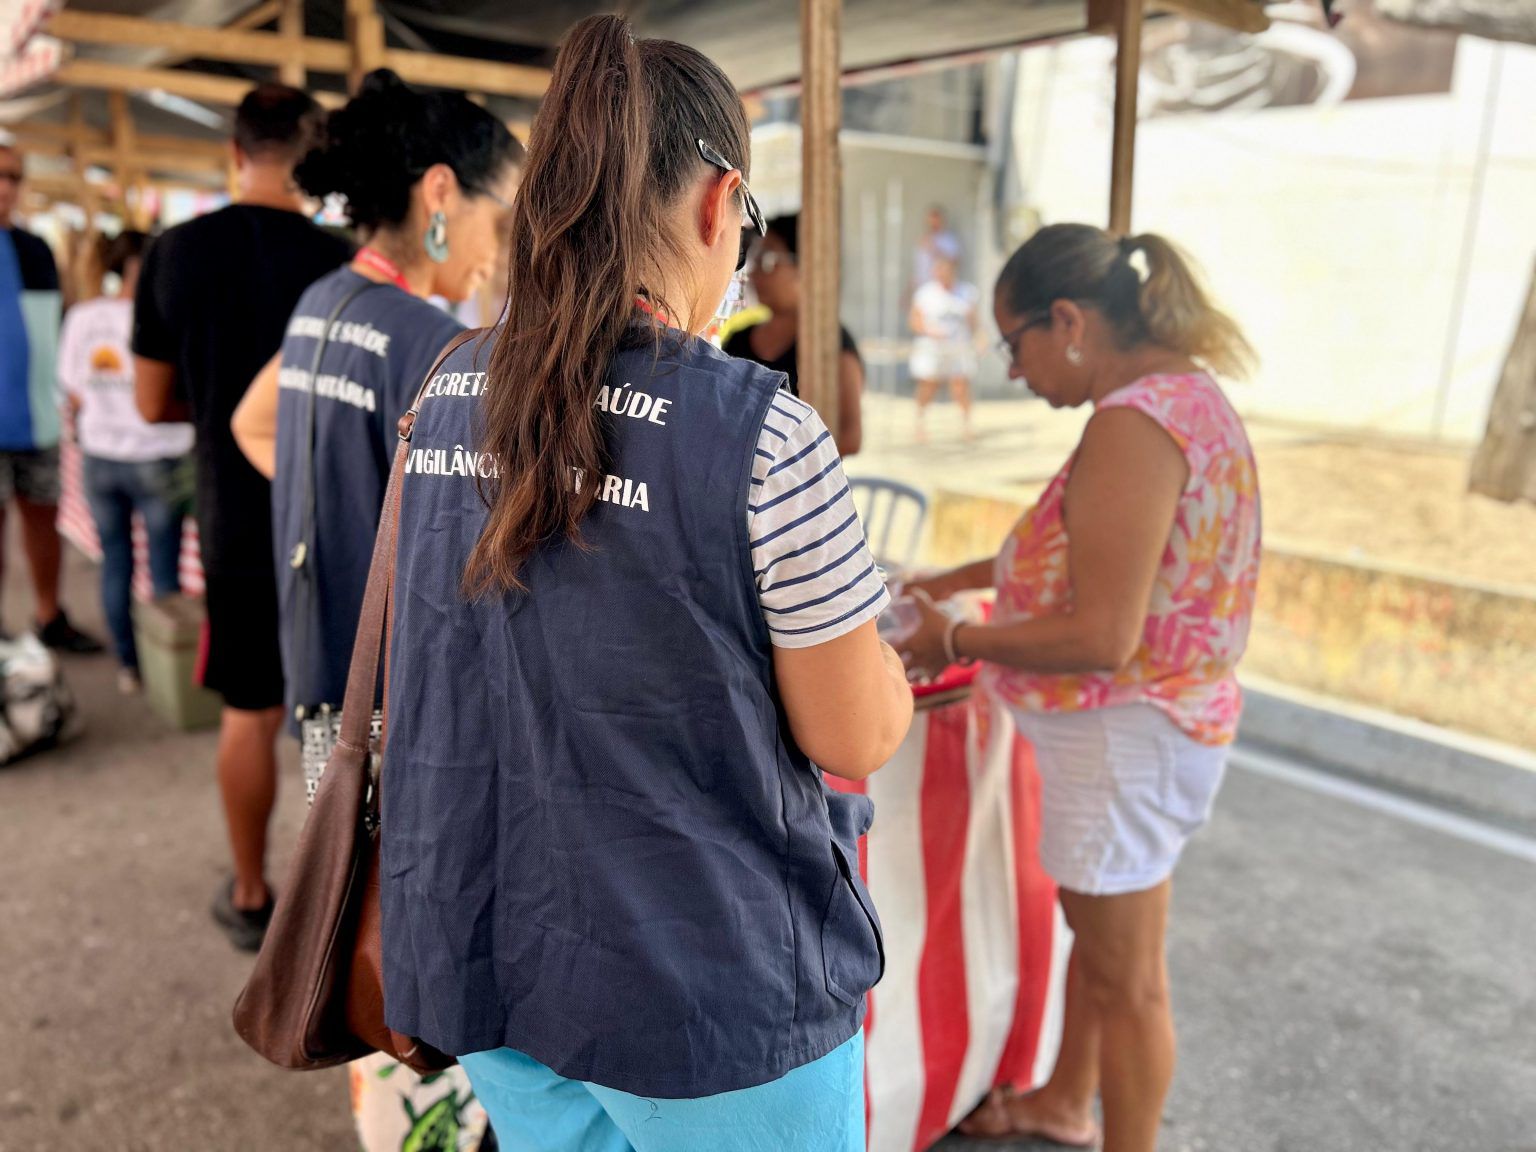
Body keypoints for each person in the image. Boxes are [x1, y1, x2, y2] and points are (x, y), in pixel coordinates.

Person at [383, 15, 914, 1152]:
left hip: (489, 950)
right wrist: (894, 673)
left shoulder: (445, 387)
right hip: (706, 994)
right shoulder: (763, 432)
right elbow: (852, 734)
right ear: (721, 204)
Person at [897, 224, 1261, 1152]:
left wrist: (954, 636)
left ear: (1066, 321)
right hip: (1144, 729)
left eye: (1013, 343)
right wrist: (950, 580)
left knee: (1127, 982)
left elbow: (1103, 634)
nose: (1015, 371)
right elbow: (1091, 549)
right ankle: (1065, 1100)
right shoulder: (1177, 399)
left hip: (1125, 733)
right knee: (1098, 945)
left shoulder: (1133, 424)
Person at [231, 69, 522, 1152]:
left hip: (326, 688)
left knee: (355, 914)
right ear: (442, 193)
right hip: (408, 713)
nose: (498, 249)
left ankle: (390, 1119)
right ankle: (433, 1128)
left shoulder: (322, 302)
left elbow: (252, 424)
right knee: (414, 937)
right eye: (497, 215)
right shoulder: (432, 343)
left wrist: (333, 508)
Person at [132, 83, 352, 952]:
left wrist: (222, 398)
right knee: (338, 717)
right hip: (333, 513)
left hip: (233, 515)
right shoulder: (341, 262)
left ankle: (255, 893)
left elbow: (150, 401)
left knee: (250, 711)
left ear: (235, 152)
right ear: (311, 156)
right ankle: (338, 899)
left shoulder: (177, 252)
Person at [59, 231, 193, 693]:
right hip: (157, 454)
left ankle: (129, 665)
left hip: (100, 456)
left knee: (116, 562)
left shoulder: (83, 317)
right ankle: (168, 671)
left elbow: (72, 389)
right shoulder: (164, 313)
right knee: (163, 571)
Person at [0, 142, 103, 652]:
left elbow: (55, 331)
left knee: (44, 519)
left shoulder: (36, 250)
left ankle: (49, 615)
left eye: (14, 176)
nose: (6, 187)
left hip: (38, 418)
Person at [722, 213, 864, 455]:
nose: (754, 273)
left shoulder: (831, 342)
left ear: (807, 268)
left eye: (768, 261)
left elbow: (850, 437)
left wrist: (772, 461)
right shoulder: (738, 340)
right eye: (754, 259)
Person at [909, 255, 980, 440]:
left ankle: (966, 425)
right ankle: (920, 424)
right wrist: (929, 331)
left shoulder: (966, 292)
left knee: (960, 386)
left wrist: (978, 339)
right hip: (932, 348)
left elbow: (974, 321)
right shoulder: (925, 294)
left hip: (958, 347)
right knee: (928, 385)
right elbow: (915, 321)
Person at [912, 204, 962, 291]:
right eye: (930, 220)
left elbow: (954, 262)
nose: (932, 223)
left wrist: (933, 249)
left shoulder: (948, 239)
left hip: (940, 286)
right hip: (922, 284)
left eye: (935, 219)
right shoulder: (925, 237)